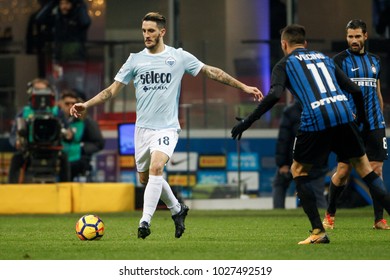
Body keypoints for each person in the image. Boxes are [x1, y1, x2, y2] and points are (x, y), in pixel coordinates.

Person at [70, 12, 262, 239]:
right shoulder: (134, 60)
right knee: (146, 179)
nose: (146, 35)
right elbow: (111, 90)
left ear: (162, 32)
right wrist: (87, 104)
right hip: (142, 130)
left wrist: (243, 87)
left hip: (167, 128)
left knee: (156, 168)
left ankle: (144, 222)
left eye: (151, 31)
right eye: (143, 31)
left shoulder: (178, 57)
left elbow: (212, 72)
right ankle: (177, 209)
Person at [231, 24, 390, 244]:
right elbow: (354, 89)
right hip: (344, 113)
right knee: (366, 170)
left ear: (284, 44)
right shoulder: (324, 58)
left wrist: (248, 121)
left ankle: (318, 231)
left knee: (298, 170)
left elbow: (275, 94)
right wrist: (360, 119)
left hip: (316, 117)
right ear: (305, 44)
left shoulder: (284, 64)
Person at [322, 19, 389, 230]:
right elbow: (333, 92)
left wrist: (381, 114)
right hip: (350, 125)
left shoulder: (375, 61)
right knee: (343, 172)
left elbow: (377, 92)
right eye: (350, 36)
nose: (354, 40)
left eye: (358, 36)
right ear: (347, 37)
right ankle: (330, 214)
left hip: (375, 123)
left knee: (377, 171)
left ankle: (379, 219)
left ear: (365, 37)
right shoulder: (339, 61)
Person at [8, 78, 70, 183]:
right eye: (37, 89)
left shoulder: (57, 112)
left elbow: (67, 130)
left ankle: (66, 190)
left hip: (53, 149)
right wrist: (17, 142)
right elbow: (13, 134)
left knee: (65, 159)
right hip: (30, 150)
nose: (41, 93)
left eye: (43, 90)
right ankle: (12, 191)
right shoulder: (24, 112)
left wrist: (68, 134)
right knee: (16, 159)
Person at [273, 100, 328, 209]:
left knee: (280, 185)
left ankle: (278, 214)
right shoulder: (322, 109)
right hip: (312, 161)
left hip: (298, 161)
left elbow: (283, 140)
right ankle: (326, 220)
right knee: (318, 194)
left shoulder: (291, 111)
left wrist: (282, 164)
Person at [59, 89, 105, 181]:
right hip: (59, 157)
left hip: (79, 160)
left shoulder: (86, 121)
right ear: (61, 105)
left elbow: (99, 143)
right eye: (67, 104)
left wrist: (81, 148)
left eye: (73, 104)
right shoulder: (57, 120)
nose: (70, 106)